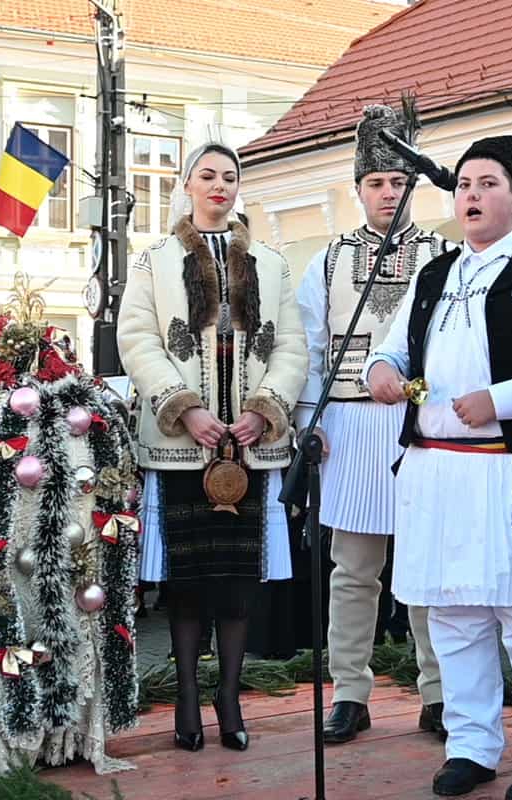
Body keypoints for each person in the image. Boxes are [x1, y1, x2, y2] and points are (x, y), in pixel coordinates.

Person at [366, 136, 512, 799]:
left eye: (487, 184)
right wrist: (382, 370)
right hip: (437, 470)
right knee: (455, 618)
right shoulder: (435, 274)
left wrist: (505, 398)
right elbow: (394, 348)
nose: (471, 195)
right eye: (463, 184)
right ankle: (473, 744)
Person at [117, 142, 307, 753]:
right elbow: (138, 340)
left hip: (250, 448)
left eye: (229, 176)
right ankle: (188, 702)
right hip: (181, 446)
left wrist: (264, 409)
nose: (219, 186)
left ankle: (229, 697)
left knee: (238, 581)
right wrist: (184, 406)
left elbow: (292, 348)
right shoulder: (152, 262)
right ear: (187, 184)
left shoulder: (274, 265)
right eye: (208, 175)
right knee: (188, 579)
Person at [294, 102, 451, 745]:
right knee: (353, 571)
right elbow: (307, 347)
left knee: (423, 572)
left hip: (420, 427)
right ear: (357, 189)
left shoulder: (445, 254)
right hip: (351, 431)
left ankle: (438, 691)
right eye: (375, 183)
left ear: (414, 184)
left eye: (397, 181)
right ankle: (350, 692)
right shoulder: (328, 262)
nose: (387, 193)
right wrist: (310, 420)